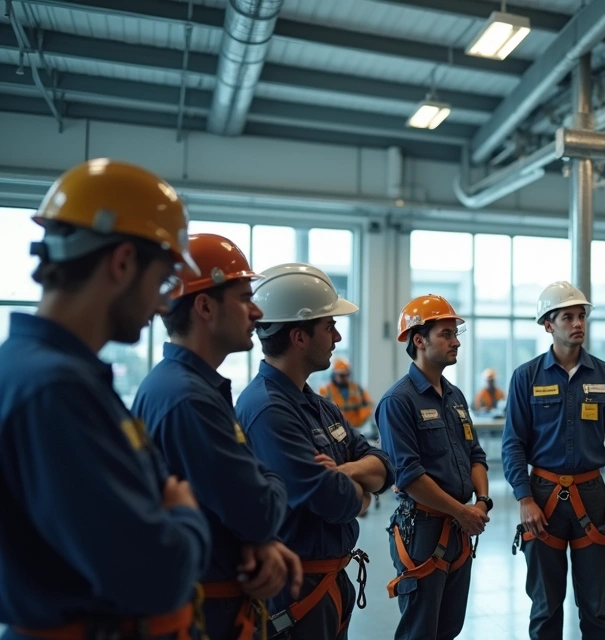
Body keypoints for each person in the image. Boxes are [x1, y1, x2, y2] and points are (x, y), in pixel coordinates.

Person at [0, 159, 210, 638]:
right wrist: (185, 514)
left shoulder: (34, 369)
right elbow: (159, 575)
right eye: (161, 282)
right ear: (122, 263)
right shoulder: (56, 389)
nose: (163, 303)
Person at [133, 233, 304, 640]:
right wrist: (271, 487)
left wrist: (259, 526)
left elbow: (244, 503)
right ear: (205, 307)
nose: (257, 311)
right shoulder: (188, 399)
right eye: (244, 298)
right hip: (208, 611)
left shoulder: (182, 386)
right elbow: (260, 511)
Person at [235, 262, 393, 640]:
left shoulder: (319, 405)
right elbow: (332, 500)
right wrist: (361, 492)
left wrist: (347, 472)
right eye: (329, 326)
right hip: (294, 591)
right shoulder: (268, 409)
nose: (337, 337)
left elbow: (386, 467)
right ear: (299, 337)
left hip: (329, 583)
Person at [502, 281, 605, 640]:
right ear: (548, 325)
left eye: (581, 316)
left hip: (593, 495)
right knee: (545, 607)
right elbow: (513, 444)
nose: (578, 323)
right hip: (542, 496)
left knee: (597, 608)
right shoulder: (526, 377)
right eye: (567, 317)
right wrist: (524, 498)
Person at [377, 294, 490, 640]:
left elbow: (475, 455)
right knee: (421, 630)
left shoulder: (455, 397)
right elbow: (408, 476)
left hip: (458, 528)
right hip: (423, 530)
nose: (456, 342)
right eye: (446, 334)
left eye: (456, 334)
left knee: (449, 628)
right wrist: (462, 512)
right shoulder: (398, 401)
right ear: (419, 340)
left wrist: (482, 502)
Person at [319, 357, 374, 438]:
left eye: (347, 375)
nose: (345, 377)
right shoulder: (325, 390)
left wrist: (359, 421)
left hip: (356, 429)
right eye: (341, 375)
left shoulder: (357, 388)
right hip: (335, 432)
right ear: (334, 374)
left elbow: (368, 405)